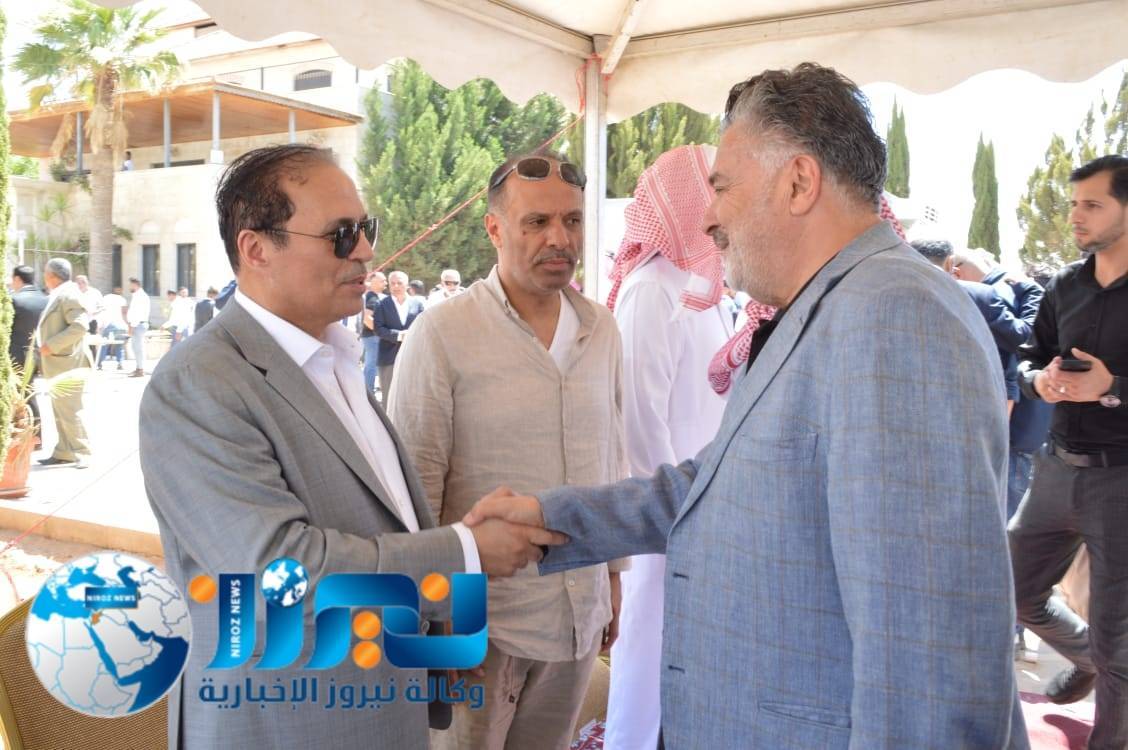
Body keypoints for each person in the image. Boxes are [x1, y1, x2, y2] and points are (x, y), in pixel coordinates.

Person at [463, 63, 1027, 749]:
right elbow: (713, 483)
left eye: (724, 187)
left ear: (798, 182)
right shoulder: (823, 308)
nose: (708, 216)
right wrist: (554, 518)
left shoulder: (895, 316)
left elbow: (929, 652)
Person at [138, 144, 564, 750]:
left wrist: (434, 633)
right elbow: (278, 576)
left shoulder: (332, 358)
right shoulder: (199, 383)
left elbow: (379, 519)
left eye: (366, 229)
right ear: (256, 249)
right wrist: (466, 552)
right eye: (340, 235)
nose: (364, 250)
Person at [389, 151, 626, 750]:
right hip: (479, 626)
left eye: (572, 221)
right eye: (537, 222)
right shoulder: (443, 334)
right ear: (494, 229)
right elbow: (414, 490)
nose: (559, 238)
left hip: (578, 613)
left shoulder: (601, 329)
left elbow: (612, 461)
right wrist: (432, 619)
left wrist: (613, 578)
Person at [600, 145, 733, 750]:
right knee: (647, 648)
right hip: (666, 516)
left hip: (704, 507)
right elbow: (638, 417)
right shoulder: (651, 288)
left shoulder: (706, 288)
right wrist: (669, 511)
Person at [1009, 154, 1128, 749]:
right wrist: (1041, 381)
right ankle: (1086, 658)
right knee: (1012, 591)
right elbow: (1029, 361)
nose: (1075, 215)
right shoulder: (1064, 286)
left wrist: (1113, 387)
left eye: (1092, 205)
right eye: (1074, 203)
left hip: (1121, 482)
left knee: (1120, 642)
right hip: (1054, 471)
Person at [912, 238, 1025, 407]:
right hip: (966, 408)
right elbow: (1021, 339)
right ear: (950, 263)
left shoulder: (882, 297)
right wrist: (1030, 290)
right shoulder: (980, 296)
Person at [36, 258, 92, 469]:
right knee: (60, 409)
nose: (44, 276)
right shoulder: (60, 294)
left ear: (52, 276)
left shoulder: (69, 295)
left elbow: (80, 326)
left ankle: (82, 451)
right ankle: (65, 451)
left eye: (45, 272)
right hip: (59, 363)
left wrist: (51, 345)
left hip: (68, 364)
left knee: (69, 409)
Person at [9, 265, 48, 440]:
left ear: (17, 279)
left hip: (16, 355)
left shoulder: (14, 300)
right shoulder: (46, 300)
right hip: (40, 353)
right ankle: (36, 437)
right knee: (30, 395)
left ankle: (25, 437)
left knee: (19, 397)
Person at [372, 270, 423, 397]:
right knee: (389, 397)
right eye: (392, 283)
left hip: (413, 357)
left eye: (399, 283)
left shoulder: (418, 304)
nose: (395, 286)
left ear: (407, 285)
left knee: (412, 396)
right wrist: (399, 335)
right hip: (388, 357)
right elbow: (378, 328)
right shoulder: (381, 304)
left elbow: (423, 327)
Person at [360, 271, 387, 393]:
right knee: (372, 365)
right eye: (382, 281)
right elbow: (366, 317)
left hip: (371, 336)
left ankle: (367, 391)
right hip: (372, 336)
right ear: (373, 282)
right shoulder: (372, 298)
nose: (385, 283)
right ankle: (368, 392)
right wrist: (380, 331)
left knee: (371, 364)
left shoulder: (372, 296)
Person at [95, 285, 128, 370]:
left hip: (107, 323)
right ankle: (120, 363)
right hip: (120, 324)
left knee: (104, 344)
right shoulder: (122, 299)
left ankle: (99, 363)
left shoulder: (105, 297)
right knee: (119, 345)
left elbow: (101, 310)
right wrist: (127, 324)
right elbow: (124, 313)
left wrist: (100, 325)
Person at [126, 277, 151, 377]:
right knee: (136, 347)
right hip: (137, 324)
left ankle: (140, 369)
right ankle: (138, 368)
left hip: (138, 324)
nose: (129, 287)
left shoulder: (140, 296)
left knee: (138, 348)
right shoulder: (138, 295)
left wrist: (132, 326)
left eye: (130, 285)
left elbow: (137, 313)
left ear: (135, 285)